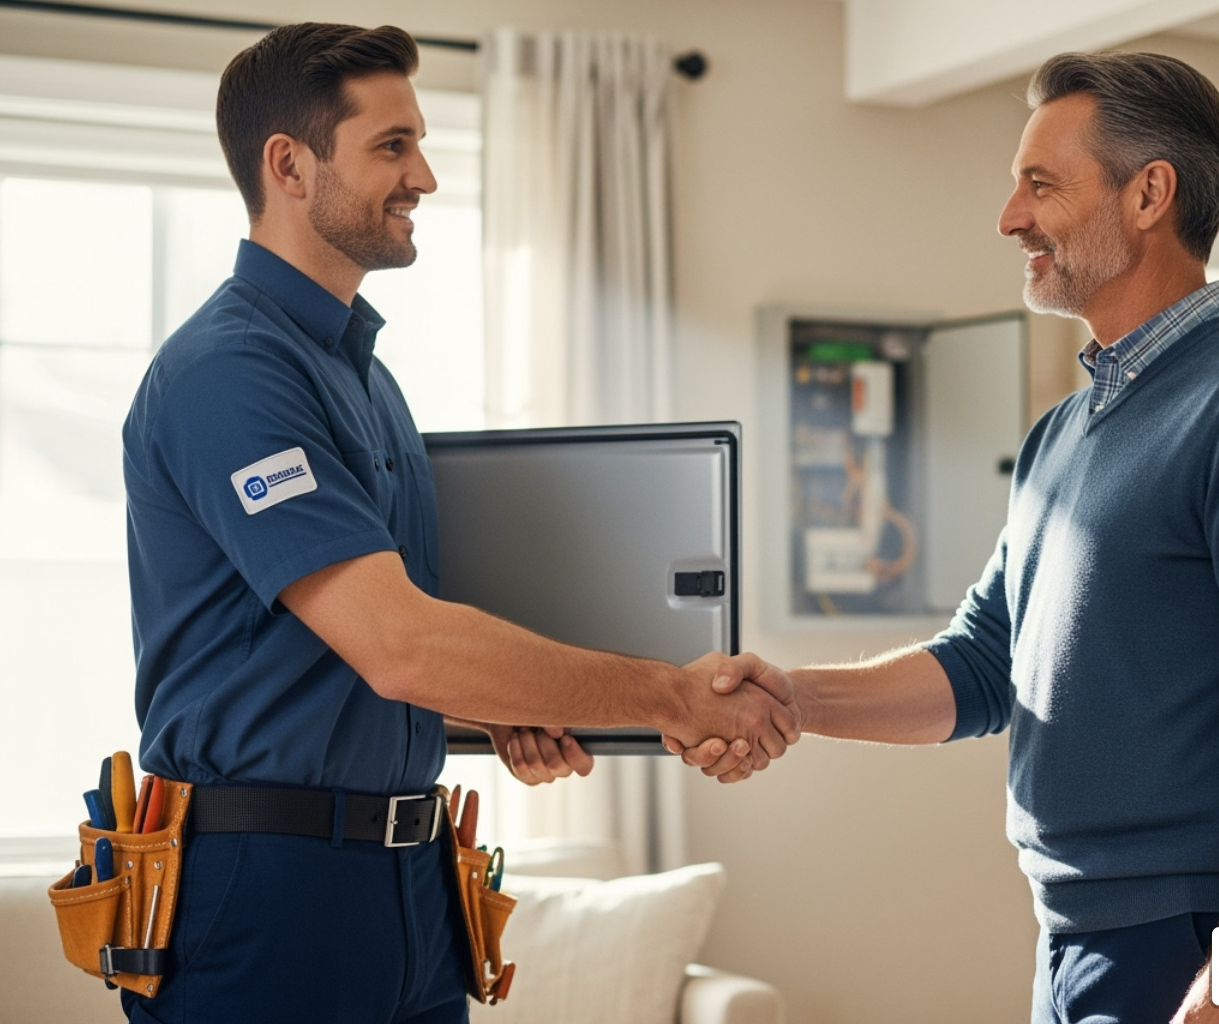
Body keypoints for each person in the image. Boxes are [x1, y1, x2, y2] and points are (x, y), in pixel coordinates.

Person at [673, 51, 1219, 1024]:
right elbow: (984, 663)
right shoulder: (1062, 432)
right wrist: (790, 697)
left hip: (1200, 943)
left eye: (1039, 185)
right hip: (1074, 940)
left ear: (1149, 195)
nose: (1010, 217)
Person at [121, 22, 796, 1024]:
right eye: (392, 145)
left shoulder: (369, 382)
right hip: (266, 891)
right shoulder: (230, 373)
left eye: (420, 144)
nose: (424, 176)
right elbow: (399, 644)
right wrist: (667, 694)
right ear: (289, 165)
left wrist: (496, 705)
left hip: (412, 881)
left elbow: (343, 662)